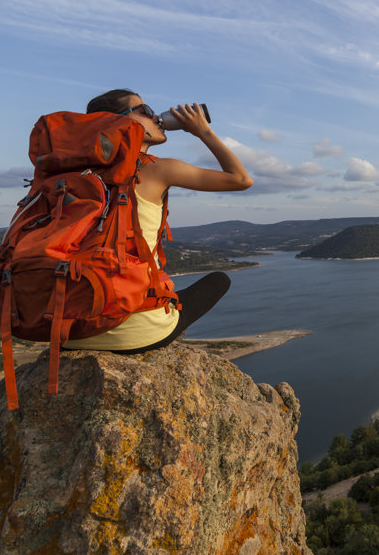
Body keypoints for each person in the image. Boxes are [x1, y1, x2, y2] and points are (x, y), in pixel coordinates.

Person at [62, 88, 253, 355]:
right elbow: (241, 179)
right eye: (145, 111)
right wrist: (203, 132)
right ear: (121, 122)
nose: (156, 117)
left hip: (68, 333)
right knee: (219, 280)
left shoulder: (70, 176)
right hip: (133, 334)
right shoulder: (157, 168)